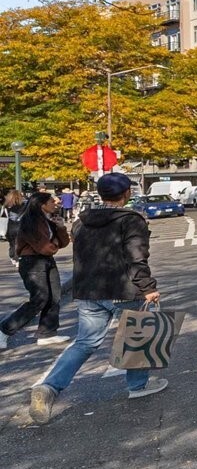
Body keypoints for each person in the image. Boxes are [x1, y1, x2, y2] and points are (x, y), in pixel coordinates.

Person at [30, 173, 166, 423]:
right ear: (126, 193)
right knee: (136, 337)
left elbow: (80, 257)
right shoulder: (130, 220)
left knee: (85, 343)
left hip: (90, 291)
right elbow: (136, 257)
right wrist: (147, 287)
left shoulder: (82, 221)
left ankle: (49, 386)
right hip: (123, 289)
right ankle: (137, 386)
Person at [2, 191, 71, 349]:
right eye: (51, 201)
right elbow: (45, 247)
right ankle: (4, 329)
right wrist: (54, 245)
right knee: (39, 298)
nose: (55, 203)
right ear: (42, 205)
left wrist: (60, 228)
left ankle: (48, 333)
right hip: (32, 262)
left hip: (46, 261)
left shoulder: (48, 219)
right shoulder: (30, 221)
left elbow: (63, 243)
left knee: (54, 295)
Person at [4, 187, 23, 267]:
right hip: (20, 226)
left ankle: (12, 256)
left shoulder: (6, 206)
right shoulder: (23, 206)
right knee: (17, 243)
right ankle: (17, 258)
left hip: (8, 227)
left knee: (12, 243)